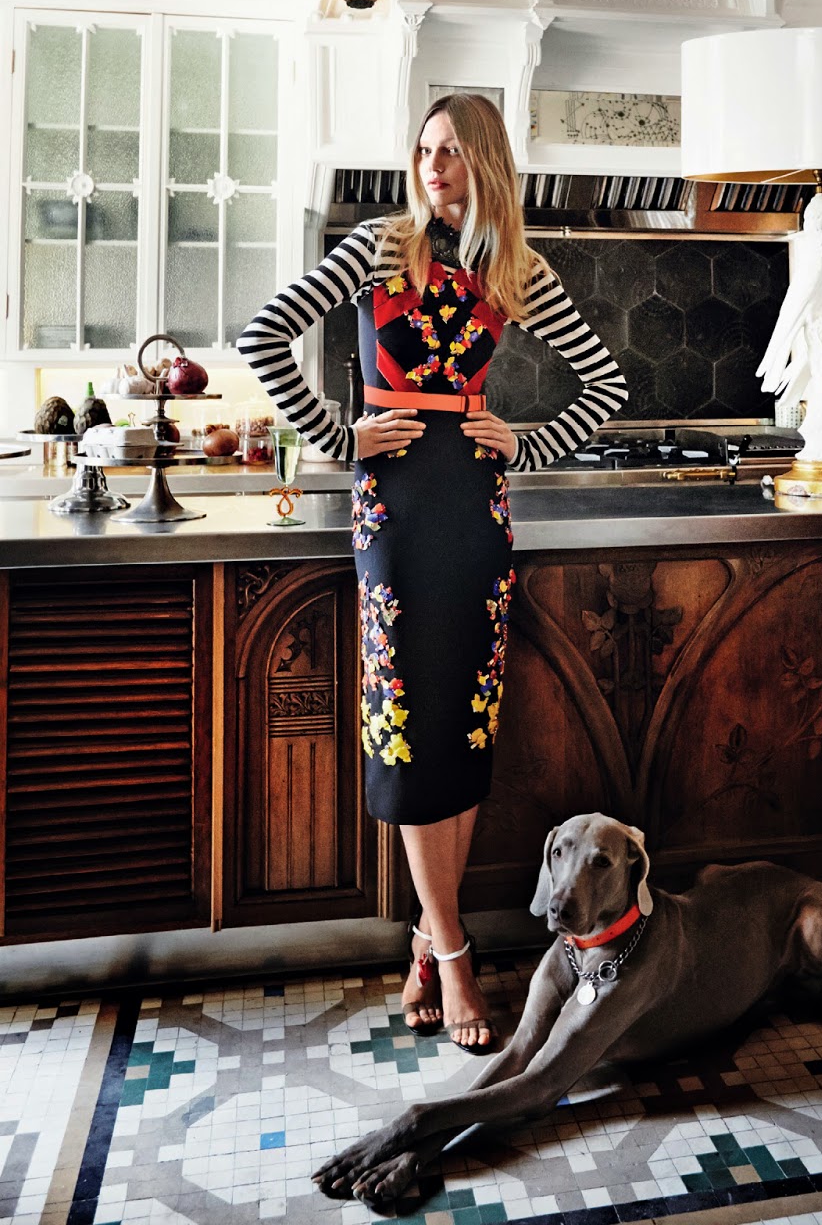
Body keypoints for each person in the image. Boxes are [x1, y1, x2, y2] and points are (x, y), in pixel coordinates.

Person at [238, 93, 627, 1052]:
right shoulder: (380, 246)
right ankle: (453, 954)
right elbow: (263, 338)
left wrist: (525, 443)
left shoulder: (515, 268)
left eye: (450, 152)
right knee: (409, 730)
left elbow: (606, 386)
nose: (432, 168)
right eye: (422, 151)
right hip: (397, 511)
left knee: (461, 725)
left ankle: (428, 939)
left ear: (485, 160)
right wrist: (343, 436)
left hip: (478, 512)